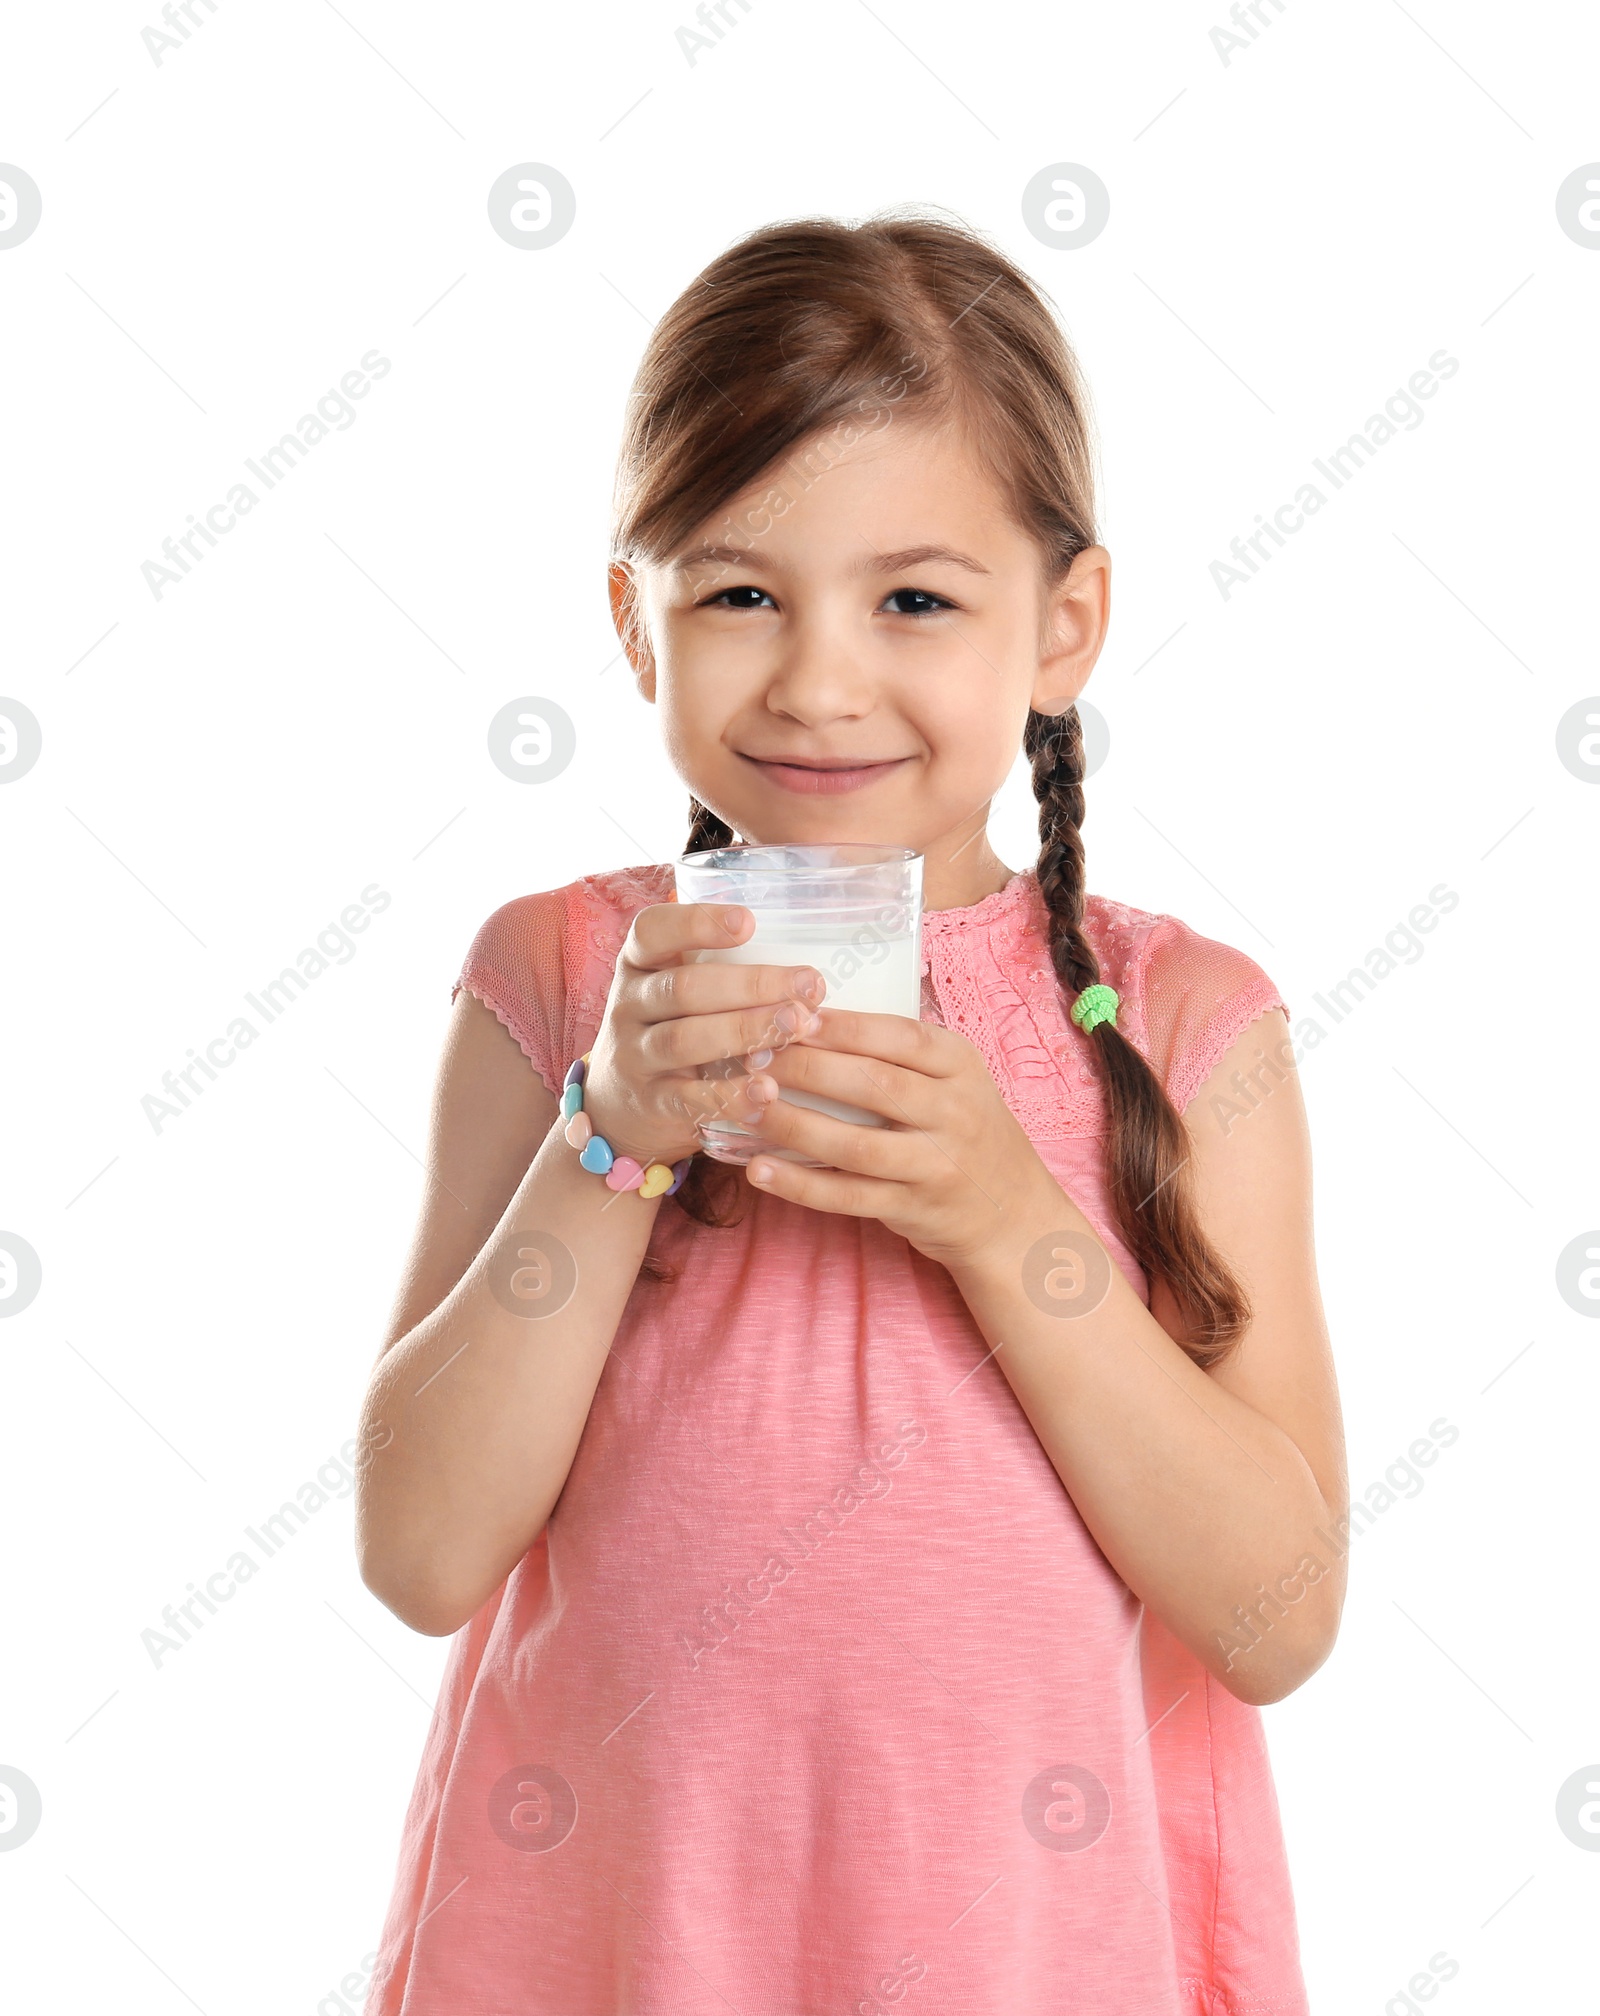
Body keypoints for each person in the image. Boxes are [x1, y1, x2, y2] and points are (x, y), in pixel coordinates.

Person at [357, 209, 1347, 2016]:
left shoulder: (1193, 1023)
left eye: (913, 598)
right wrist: (611, 1140)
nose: (815, 679)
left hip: (1030, 1962)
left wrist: (1005, 1216)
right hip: (621, 1946)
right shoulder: (565, 976)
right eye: (739, 592)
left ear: (1063, 626)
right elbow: (421, 1551)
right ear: (633, 626)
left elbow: (1277, 1619)